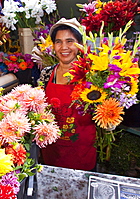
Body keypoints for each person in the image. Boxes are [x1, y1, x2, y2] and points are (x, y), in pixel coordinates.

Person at [38, 18, 96, 171]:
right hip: (52, 150)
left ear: (81, 45)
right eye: (58, 42)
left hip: (82, 152)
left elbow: (102, 111)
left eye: (70, 41)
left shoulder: (92, 75)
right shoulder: (47, 74)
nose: (64, 47)